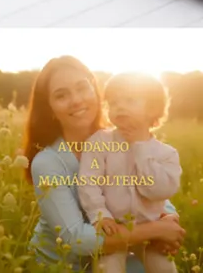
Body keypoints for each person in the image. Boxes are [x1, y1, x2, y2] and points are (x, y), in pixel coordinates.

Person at [23, 56, 185, 270]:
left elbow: (143, 186)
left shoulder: (122, 137)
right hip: (63, 264)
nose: (76, 100)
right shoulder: (47, 162)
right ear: (50, 108)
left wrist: (169, 216)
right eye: (61, 95)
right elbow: (75, 239)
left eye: (82, 88)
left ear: (95, 90)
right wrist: (157, 229)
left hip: (116, 249)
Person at [77, 72, 181, 273]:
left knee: (164, 268)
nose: (120, 107)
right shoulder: (99, 143)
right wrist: (100, 215)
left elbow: (159, 191)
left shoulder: (166, 154)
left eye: (130, 100)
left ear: (152, 109)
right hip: (114, 229)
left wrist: (140, 147)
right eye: (114, 102)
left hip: (151, 233)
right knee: (108, 268)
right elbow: (88, 182)